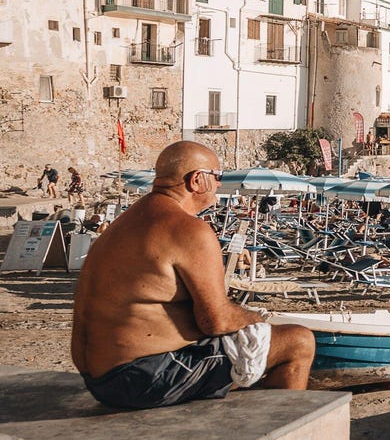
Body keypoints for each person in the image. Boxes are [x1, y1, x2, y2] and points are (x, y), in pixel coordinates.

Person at [71, 141, 315, 409]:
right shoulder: (188, 229)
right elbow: (217, 321)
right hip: (144, 377)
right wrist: (256, 318)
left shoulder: (123, 224)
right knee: (298, 341)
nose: (220, 185)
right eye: (218, 176)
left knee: (245, 347)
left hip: (98, 379)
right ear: (197, 180)